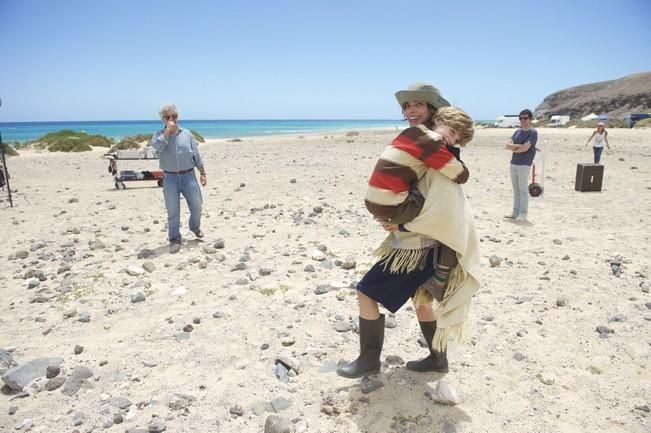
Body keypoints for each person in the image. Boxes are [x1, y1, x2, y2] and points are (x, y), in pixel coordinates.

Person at [337, 83, 481, 379]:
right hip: (426, 243)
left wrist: (402, 224)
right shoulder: (428, 146)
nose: (412, 111)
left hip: (418, 244)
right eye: (407, 106)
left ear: (433, 110)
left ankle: (368, 360)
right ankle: (438, 359)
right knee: (422, 300)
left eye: (419, 105)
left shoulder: (439, 151)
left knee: (366, 293)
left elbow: (442, 206)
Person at [364, 105, 475, 300]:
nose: (450, 140)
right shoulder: (431, 142)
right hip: (395, 206)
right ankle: (441, 275)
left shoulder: (412, 133)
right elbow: (460, 175)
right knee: (449, 217)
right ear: (438, 121)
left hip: (374, 201)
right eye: (451, 133)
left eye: (455, 140)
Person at [151, 104, 207, 253]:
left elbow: (195, 154)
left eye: (174, 116)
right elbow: (157, 147)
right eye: (168, 117)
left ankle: (194, 227)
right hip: (169, 178)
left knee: (197, 205)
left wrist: (202, 172)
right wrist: (167, 132)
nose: (171, 119)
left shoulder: (187, 134)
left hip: (189, 176)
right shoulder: (158, 135)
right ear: (162, 119)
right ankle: (174, 238)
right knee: (173, 211)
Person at [504, 109, 537, 224]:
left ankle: (523, 213)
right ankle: (515, 211)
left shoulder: (532, 132)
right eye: (521, 118)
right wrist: (517, 147)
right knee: (516, 189)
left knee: (523, 189)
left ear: (530, 119)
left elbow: (525, 148)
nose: (522, 120)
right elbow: (508, 144)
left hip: (524, 164)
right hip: (514, 163)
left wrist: (514, 147)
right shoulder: (517, 131)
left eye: (525, 118)